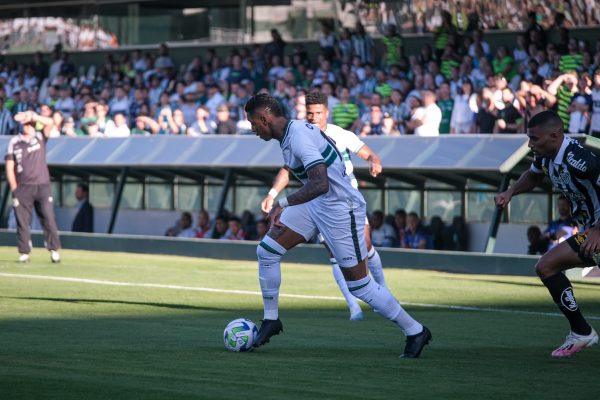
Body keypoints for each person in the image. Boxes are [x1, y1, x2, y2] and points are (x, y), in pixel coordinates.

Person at [246, 93, 430, 357]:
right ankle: (271, 320)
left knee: (360, 286)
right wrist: (276, 197)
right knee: (267, 251)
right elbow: (299, 171)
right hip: (317, 205)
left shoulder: (297, 135)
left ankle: (415, 331)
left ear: (264, 119)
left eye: (253, 123)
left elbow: (321, 183)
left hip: (341, 209)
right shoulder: (292, 132)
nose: (253, 129)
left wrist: (282, 204)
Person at [261, 91, 389, 321]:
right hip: (316, 203)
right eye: (309, 113)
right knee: (333, 255)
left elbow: (367, 153)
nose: (313, 117)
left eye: (318, 113)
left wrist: (374, 161)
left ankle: (384, 295)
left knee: (367, 250)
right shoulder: (300, 134)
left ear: (327, 113)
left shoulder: (340, 135)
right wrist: (273, 194)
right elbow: (288, 169)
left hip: (345, 202)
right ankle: (354, 307)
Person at [495, 110, 598, 358]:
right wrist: (510, 192)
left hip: (596, 233)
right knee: (547, 267)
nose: (530, 144)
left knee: (547, 265)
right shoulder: (545, 156)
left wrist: (598, 229)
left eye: (534, 139)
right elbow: (532, 175)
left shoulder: (579, 160)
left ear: (554, 136)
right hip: (590, 233)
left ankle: (582, 332)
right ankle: (581, 331)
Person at [5, 110, 61, 263]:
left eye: (30, 125)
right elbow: (10, 166)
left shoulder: (40, 137)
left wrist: (33, 116)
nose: (28, 127)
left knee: (48, 218)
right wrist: (14, 188)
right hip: (23, 187)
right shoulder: (15, 142)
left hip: (42, 185)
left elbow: (50, 122)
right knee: (22, 222)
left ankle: (54, 249)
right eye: (26, 124)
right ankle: (24, 252)